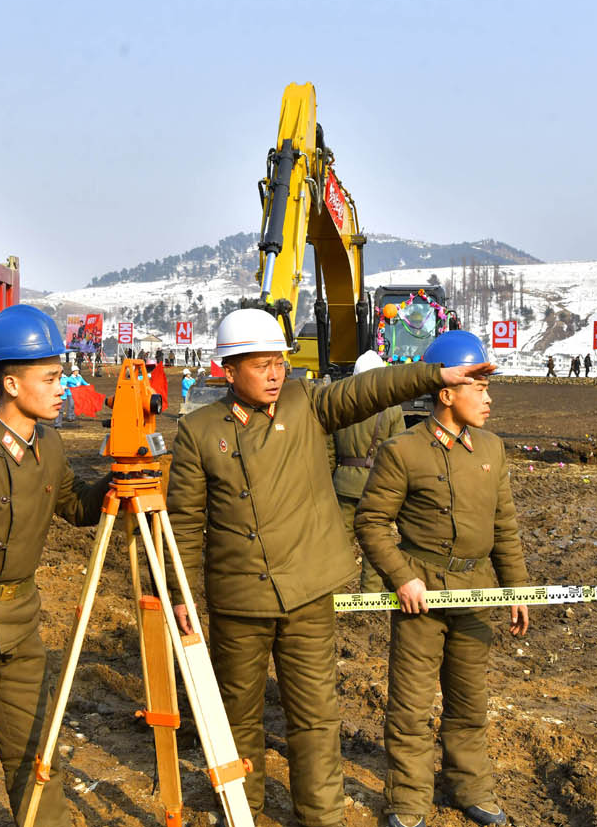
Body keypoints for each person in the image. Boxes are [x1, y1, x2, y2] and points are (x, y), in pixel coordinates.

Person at [166, 308, 493, 827]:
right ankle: (241, 812)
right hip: (238, 599)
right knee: (239, 717)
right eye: (260, 365)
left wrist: (435, 375)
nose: (275, 374)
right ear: (228, 370)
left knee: (316, 718)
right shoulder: (199, 431)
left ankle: (321, 817)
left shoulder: (307, 403)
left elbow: (371, 390)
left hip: (308, 592)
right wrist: (178, 593)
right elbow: (183, 522)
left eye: (279, 362)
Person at [0, 306, 109, 827]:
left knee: (35, 760)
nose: (62, 389)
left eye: (61, 376)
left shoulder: (48, 445)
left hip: (23, 633)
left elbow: (74, 506)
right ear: (10, 383)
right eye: (50, 378)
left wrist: (118, 479)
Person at [355, 330, 529, 827]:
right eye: (479, 386)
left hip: (475, 594)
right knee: (410, 708)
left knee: (469, 701)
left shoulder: (492, 448)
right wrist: (403, 578)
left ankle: (471, 788)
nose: (489, 397)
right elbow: (370, 523)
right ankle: (408, 802)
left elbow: (505, 527)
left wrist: (517, 590)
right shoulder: (402, 451)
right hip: (421, 596)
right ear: (447, 393)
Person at [329, 350, 406, 593]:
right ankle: (371, 595)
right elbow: (398, 452)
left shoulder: (340, 405)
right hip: (376, 486)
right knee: (375, 542)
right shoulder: (392, 410)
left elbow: (329, 451)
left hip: (343, 484)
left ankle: (334, 593)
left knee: (338, 544)